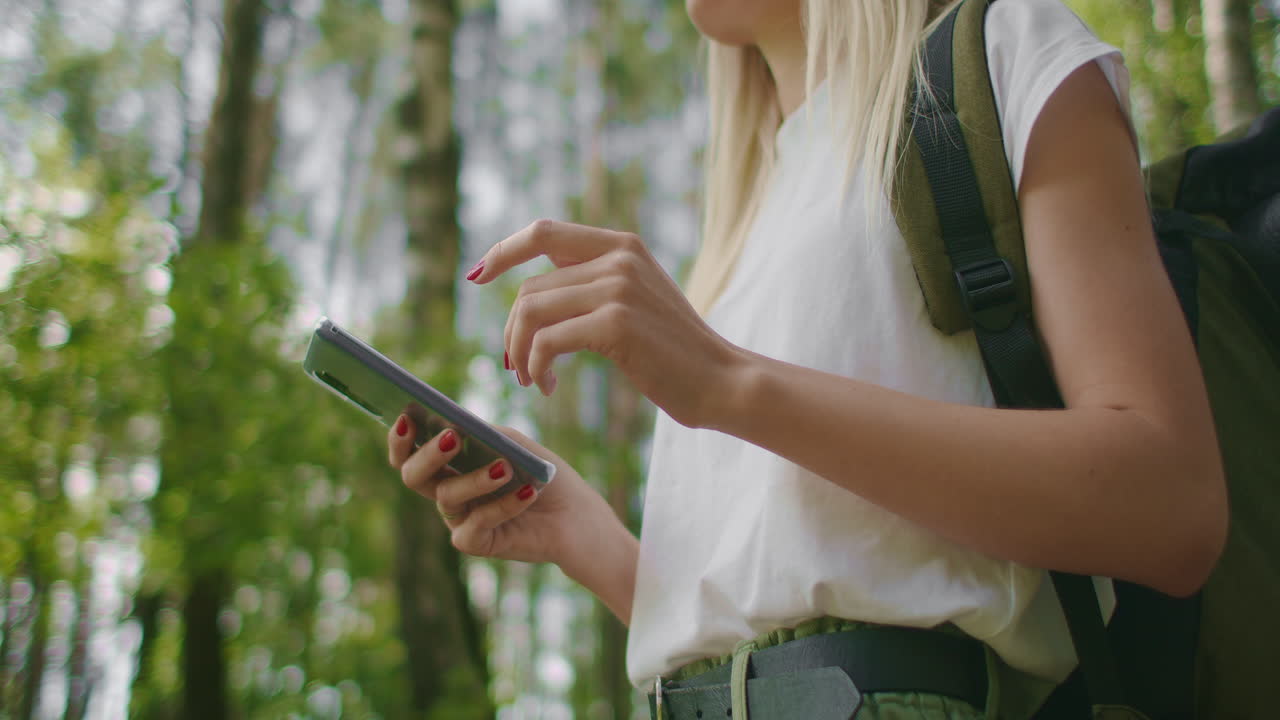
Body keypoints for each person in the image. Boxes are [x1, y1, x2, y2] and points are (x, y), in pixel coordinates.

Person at [385, 0, 1228, 717]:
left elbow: (1171, 505)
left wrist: (728, 384)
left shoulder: (1004, 50)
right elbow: (791, 604)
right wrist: (582, 533)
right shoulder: (741, 219)